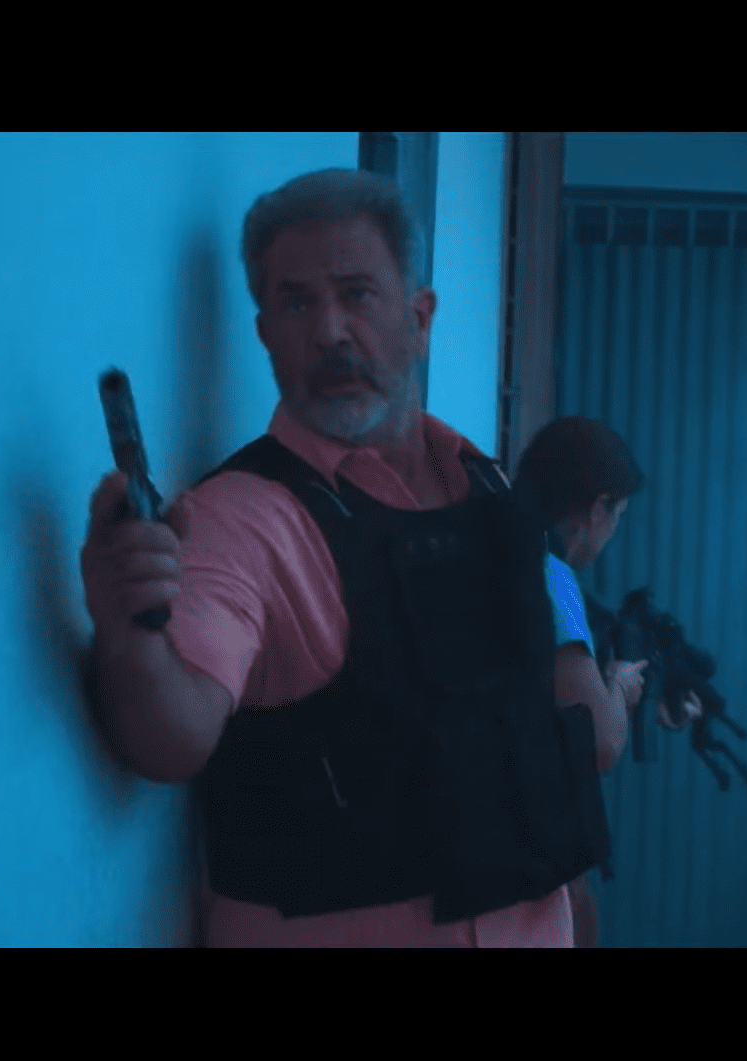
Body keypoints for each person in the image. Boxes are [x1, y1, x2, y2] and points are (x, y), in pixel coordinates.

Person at [80, 168, 637, 947]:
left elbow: (549, 742)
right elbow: (171, 735)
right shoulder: (243, 519)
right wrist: (131, 630)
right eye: (296, 303)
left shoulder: (490, 488)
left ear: (420, 319)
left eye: (357, 295)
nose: (330, 331)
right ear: (265, 333)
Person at [511, 417, 699, 948]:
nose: (611, 532)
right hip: (524, 840)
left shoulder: (497, 553)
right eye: (616, 516)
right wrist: (618, 687)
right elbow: (601, 741)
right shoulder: (552, 575)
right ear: (597, 508)